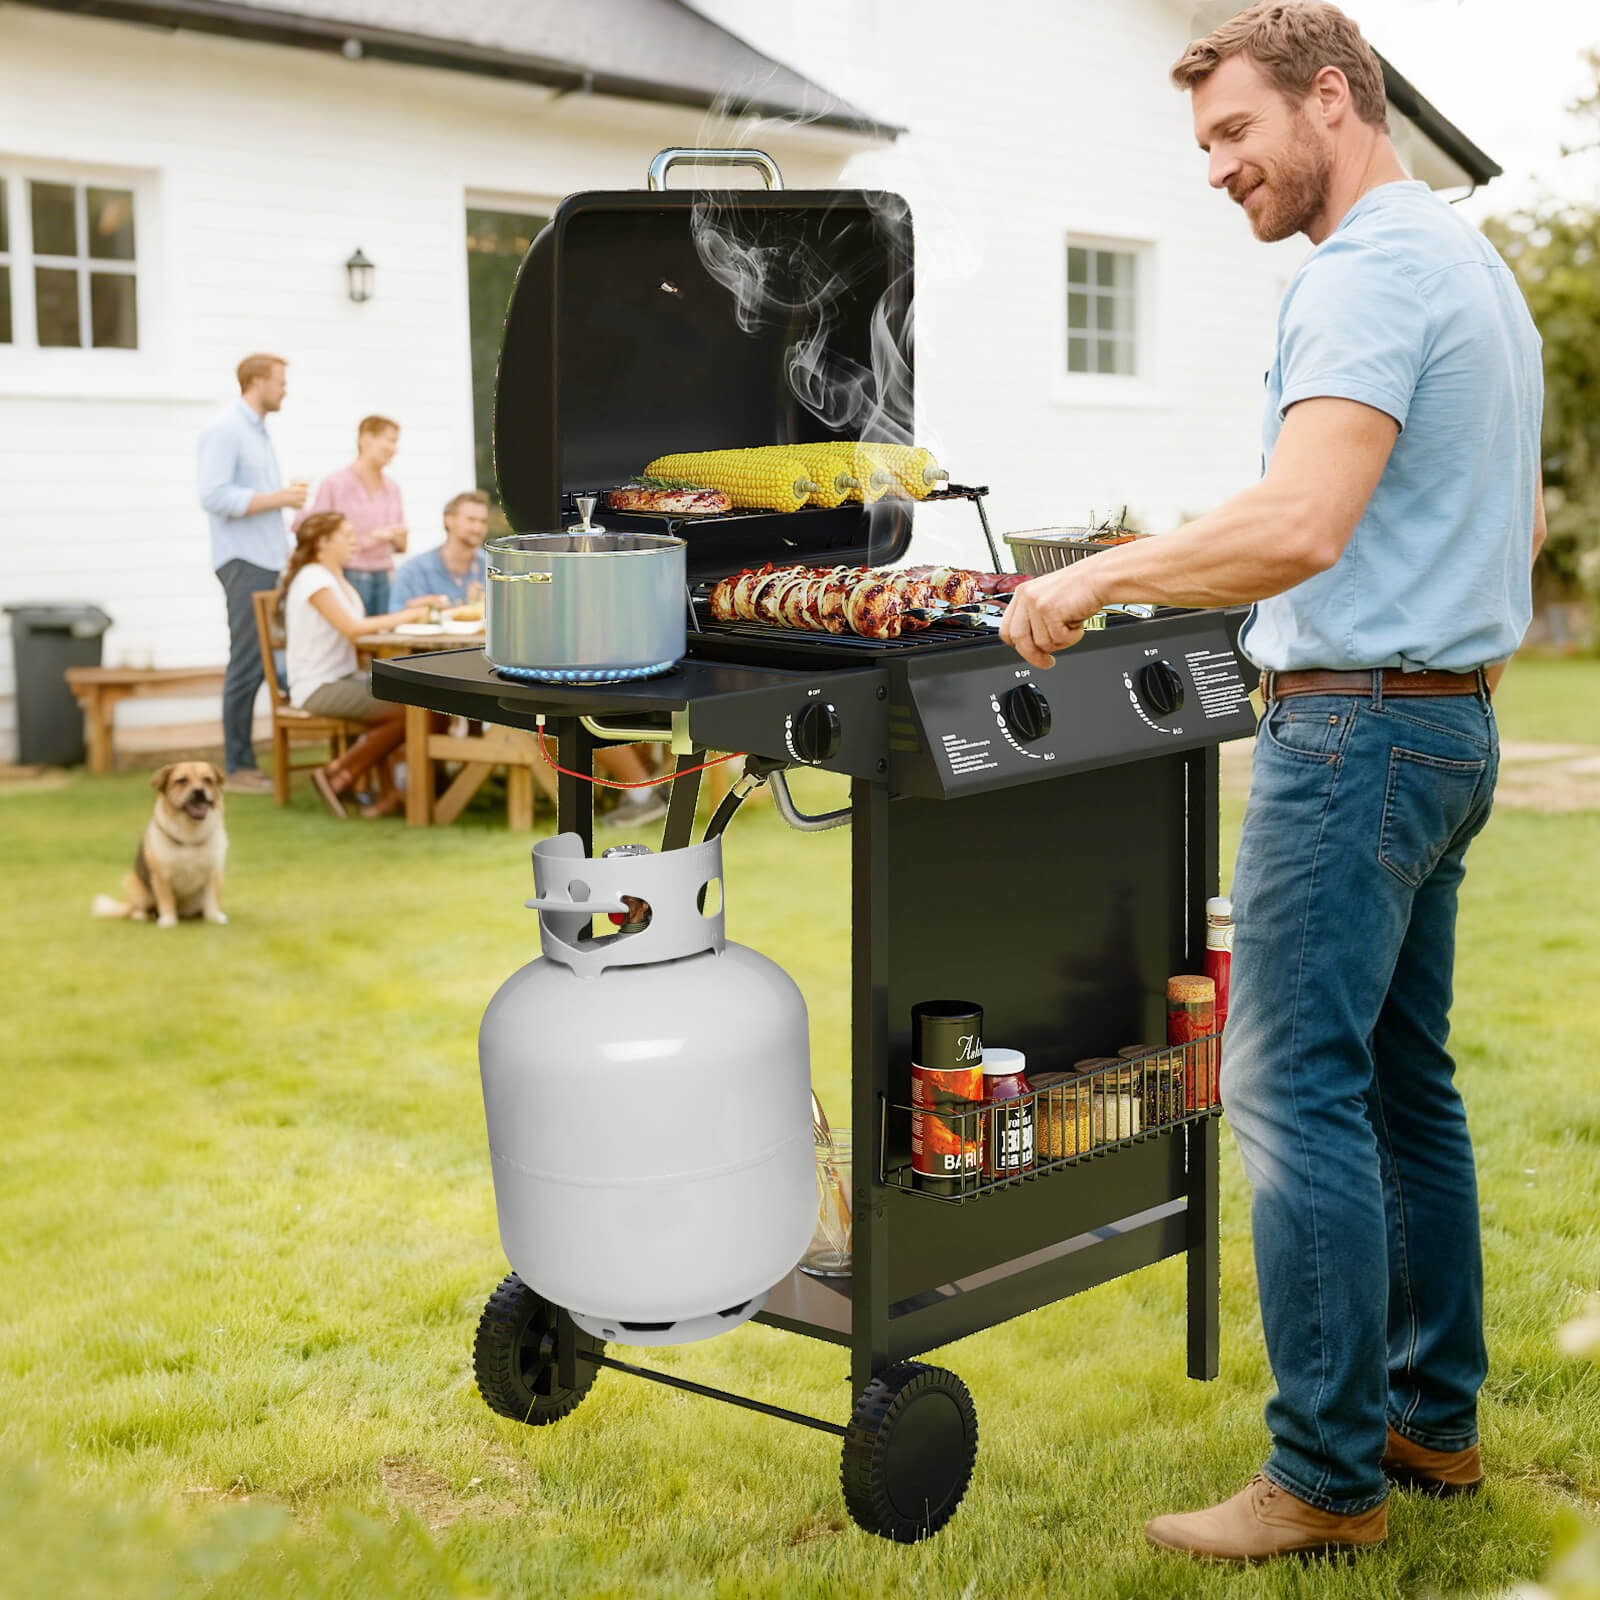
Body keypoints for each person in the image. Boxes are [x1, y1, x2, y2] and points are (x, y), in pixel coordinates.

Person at [1000, 1, 1543, 1563]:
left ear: (1330, 99)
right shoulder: (1467, 266)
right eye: (1204, 145)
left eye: (1236, 132)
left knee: (1293, 1089)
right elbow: (1485, 530)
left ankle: (1322, 1477)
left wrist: (1100, 572)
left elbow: (1301, 524)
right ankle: (1429, 1423)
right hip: (1446, 726)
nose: (1218, 169)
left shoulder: (1368, 273)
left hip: (1360, 735)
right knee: (1402, 1082)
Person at [279, 511, 444, 820]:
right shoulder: (314, 578)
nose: (355, 542)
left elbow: (363, 625)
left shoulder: (336, 579)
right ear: (323, 542)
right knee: (408, 710)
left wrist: (411, 609)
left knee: (412, 702)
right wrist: (410, 617)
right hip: (318, 687)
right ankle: (338, 773)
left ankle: (373, 787)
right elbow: (353, 629)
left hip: (343, 679)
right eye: (347, 536)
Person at [197, 352, 307, 794]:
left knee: (268, 662)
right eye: (280, 381)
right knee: (247, 664)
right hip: (243, 563)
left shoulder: (258, 433)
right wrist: (280, 498)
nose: (285, 389)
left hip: (267, 560)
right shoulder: (226, 429)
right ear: (257, 381)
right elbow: (214, 496)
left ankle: (253, 760)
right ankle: (239, 767)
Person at [295, 414, 407, 614]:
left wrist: (397, 537)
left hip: (384, 577)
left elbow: (401, 545)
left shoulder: (393, 488)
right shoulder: (335, 484)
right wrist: (368, 537)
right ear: (366, 439)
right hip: (349, 574)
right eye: (390, 440)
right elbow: (315, 532)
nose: (394, 448)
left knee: (385, 641)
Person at [390, 489, 490, 609]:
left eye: (483, 522)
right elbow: (395, 616)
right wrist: (422, 607)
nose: (478, 528)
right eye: (471, 520)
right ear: (448, 520)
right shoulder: (413, 570)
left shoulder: (493, 568)